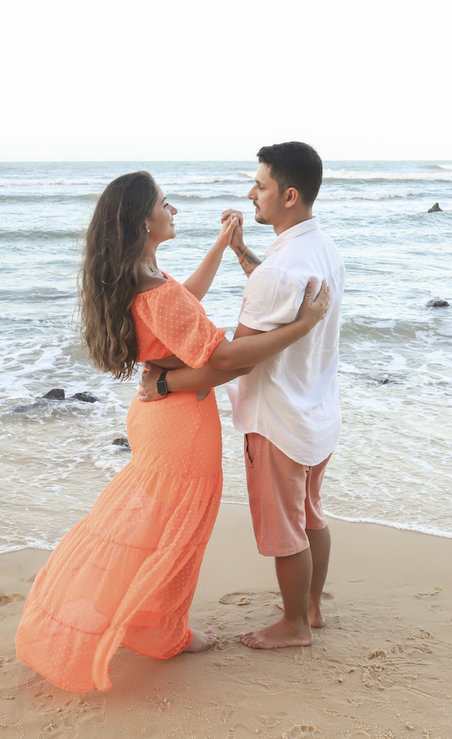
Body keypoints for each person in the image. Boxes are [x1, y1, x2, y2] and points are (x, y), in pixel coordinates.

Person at [14, 171, 330, 692]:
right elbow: (226, 359)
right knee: (180, 532)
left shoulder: (139, 274)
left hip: (157, 419)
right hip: (181, 425)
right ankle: (167, 633)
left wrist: (222, 246)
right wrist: (304, 325)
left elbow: (184, 300)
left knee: (154, 526)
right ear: (144, 220)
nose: (173, 210)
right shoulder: (155, 289)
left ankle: (153, 623)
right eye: (165, 203)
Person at [140, 141, 344, 649]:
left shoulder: (278, 271)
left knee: (285, 530)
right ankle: (311, 609)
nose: (251, 194)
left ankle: (294, 627)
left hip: (277, 418)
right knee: (311, 514)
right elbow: (278, 293)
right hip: (317, 409)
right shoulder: (320, 247)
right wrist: (237, 250)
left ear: (289, 195)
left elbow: (234, 359)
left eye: (260, 185)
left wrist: (165, 383)